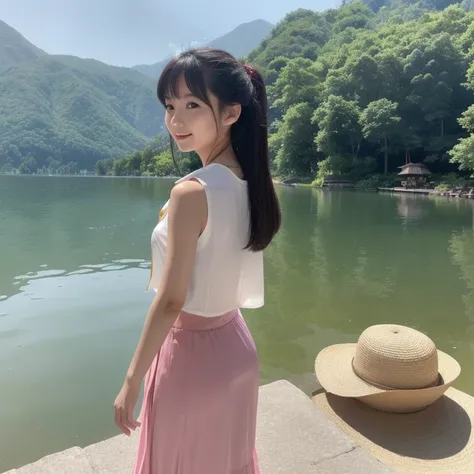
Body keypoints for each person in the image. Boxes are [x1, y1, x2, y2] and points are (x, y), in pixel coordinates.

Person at [113, 47, 281, 474]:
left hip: (191, 357)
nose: (176, 121)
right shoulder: (251, 182)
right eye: (170, 106)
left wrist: (132, 380)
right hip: (236, 346)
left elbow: (171, 302)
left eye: (192, 105)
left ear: (230, 114)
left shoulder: (192, 192)